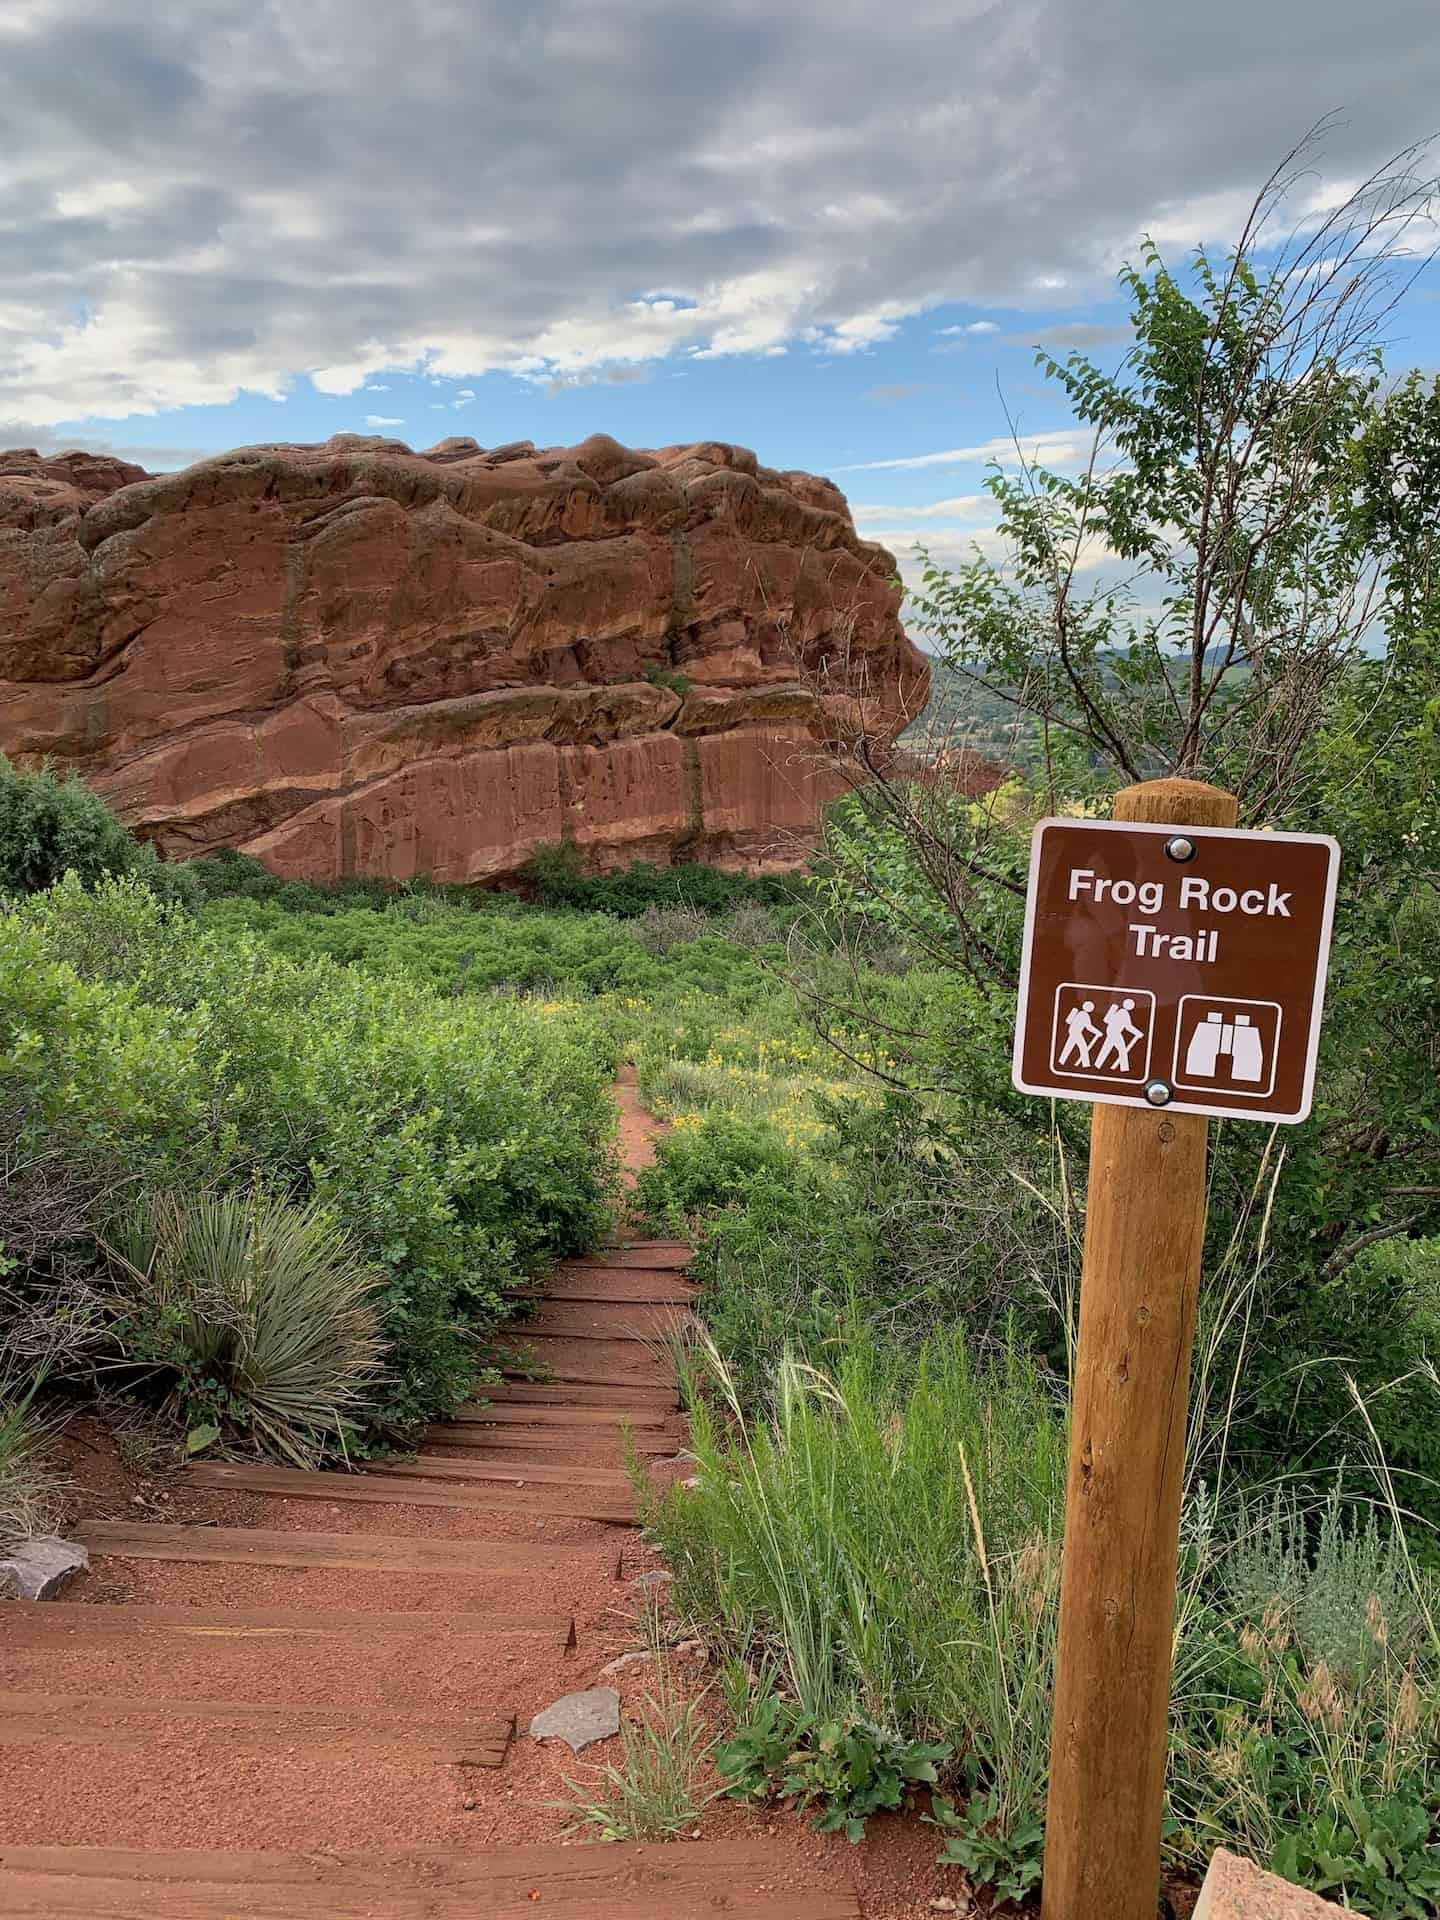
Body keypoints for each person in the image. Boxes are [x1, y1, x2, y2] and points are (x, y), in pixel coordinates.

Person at [1095, 996, 1144, 1074]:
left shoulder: (1119, 1011)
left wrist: (1137, 1033)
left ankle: (1097, 1065)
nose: (1132, 1006)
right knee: (1122, 1049)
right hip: (1115, 1033)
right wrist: (1138, 1033)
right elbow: (1128, 1026)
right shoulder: (1124, 1013)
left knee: (1107, 1048)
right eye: (1131, 1005)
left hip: (1111, 1032)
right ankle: (1124, 1069)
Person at [1059, 998, 1101, 1069]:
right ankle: (1086, 1064)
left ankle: (1061, 1061)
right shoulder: (1085, 1015)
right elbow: (1088, 1027)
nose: (1092, 1009)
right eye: (1091, 1007)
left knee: (1069, 1046)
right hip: (1076, 1032)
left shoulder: (1080, 1013)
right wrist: (1097, 1032)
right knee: (1083, 1047)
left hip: (1073, 1031)